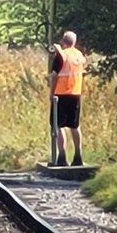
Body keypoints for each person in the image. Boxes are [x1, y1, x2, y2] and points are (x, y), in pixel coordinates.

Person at [49, 30, 86, 167]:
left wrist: (51, 93)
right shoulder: (79, 56)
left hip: (60, 94)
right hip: (75, 94)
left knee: (58, 125)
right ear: (74, 42)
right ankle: (78, 156)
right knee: (75, 126)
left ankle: (62, 157)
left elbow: (54, 76)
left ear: (63, 42)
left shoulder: (62, 56)